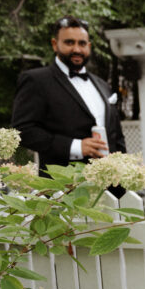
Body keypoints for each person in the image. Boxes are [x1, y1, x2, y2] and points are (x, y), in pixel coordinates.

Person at [11, 16, 127, 191]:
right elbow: (23, 131)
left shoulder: (103, 85)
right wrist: (76, 146)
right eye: (69, 42)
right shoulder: (36, 80)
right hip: (63, 188)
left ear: (89, 46)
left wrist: (123, 172)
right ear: (54, 44)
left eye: (82, 43)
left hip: (110, 188)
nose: (76, 49)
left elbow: (117, 136)